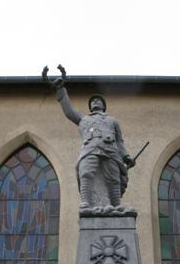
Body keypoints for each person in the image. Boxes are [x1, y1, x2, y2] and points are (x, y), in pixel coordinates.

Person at [54, 82, 134, 212]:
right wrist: (60, 89)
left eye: (98, 100)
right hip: (90, 150)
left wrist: (126, 157)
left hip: (110, 151)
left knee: (113, 179)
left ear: (104, 106)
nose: (95, 102)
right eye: (93, 101)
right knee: (86, 173)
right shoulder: (83, 119)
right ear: (90, 106)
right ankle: (86, 202)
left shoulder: (112, 121)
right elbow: (69, 111)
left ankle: (115, 205)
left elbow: (119, 142)